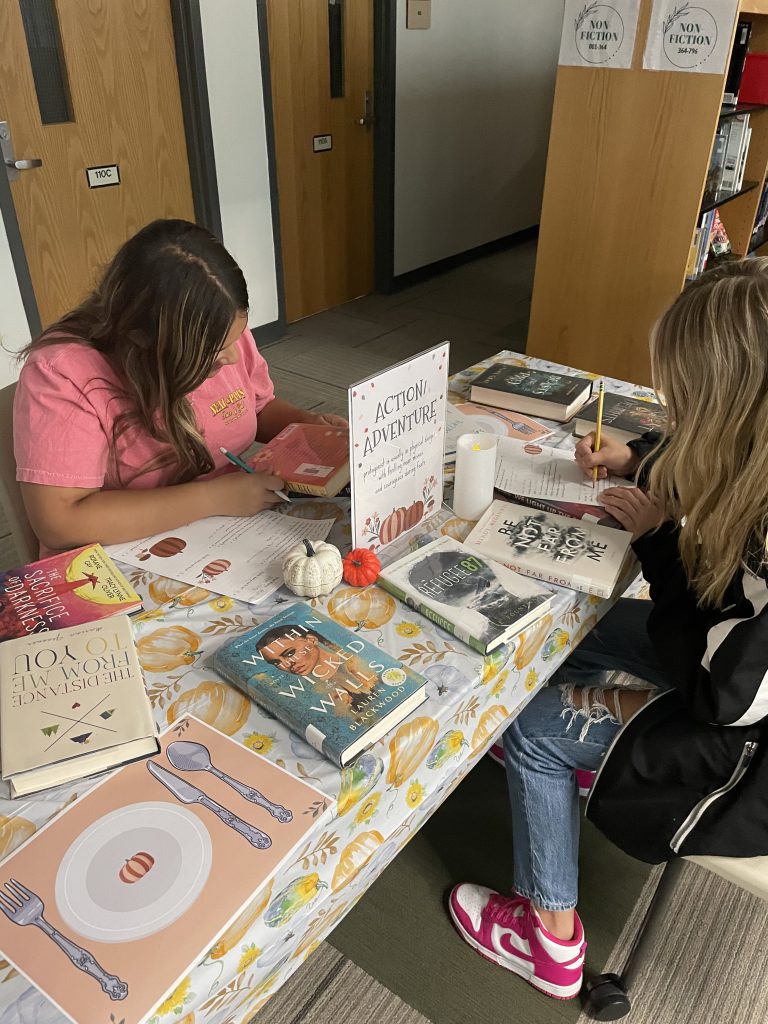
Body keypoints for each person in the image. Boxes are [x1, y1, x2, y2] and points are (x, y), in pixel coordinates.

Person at [449, 259, 768, 999]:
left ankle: (549, 940)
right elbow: (714, 459)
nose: (673, 416)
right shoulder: (752, 447)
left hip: (741, 748)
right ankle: (560, 767)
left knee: (529, 724)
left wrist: (659, 544)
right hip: (727, 672)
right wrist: (637, 459)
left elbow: (721, 695)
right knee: (578, 639)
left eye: (685, 403)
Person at [13, 219, 346, 553]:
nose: (231, 357)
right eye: (213, 351)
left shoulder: (220, 330)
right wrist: (212, 498)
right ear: (144, 341)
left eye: (236, 337)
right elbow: (60, 522)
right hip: (125, 549)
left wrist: (306, 424)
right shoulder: (63, 373)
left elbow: (256, 408)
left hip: (229, 525)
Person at [255, 624, 378, 713]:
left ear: (312, 640)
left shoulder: (361, 663)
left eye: (289, 653)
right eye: (276, 663)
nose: (286, 665)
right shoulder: (310, 699)